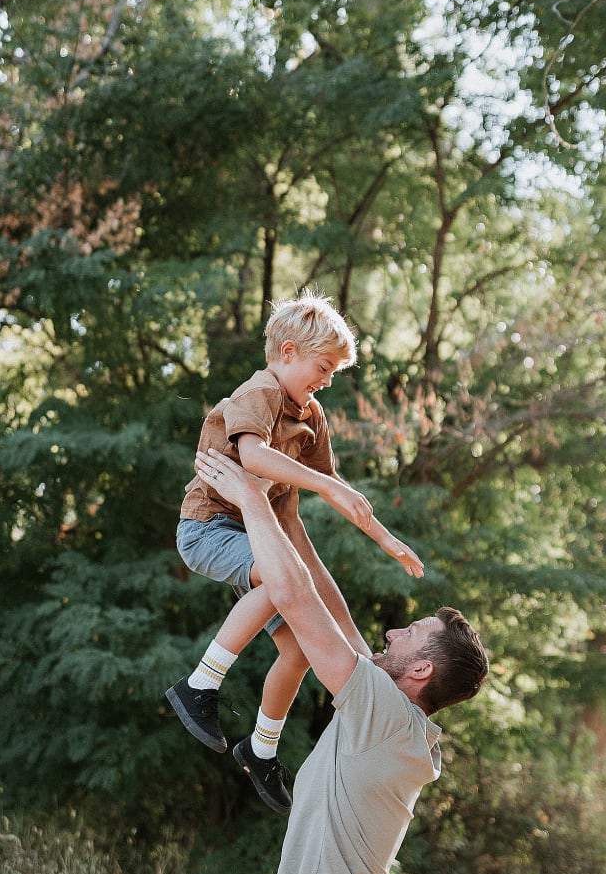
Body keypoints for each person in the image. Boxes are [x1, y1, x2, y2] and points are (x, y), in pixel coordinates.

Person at [193, 447, 489, 874]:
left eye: (410, 633)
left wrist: (248, 499)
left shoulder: (387, 717)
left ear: (420, 671)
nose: (392, 632)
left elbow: (295, 596)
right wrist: (289, 515)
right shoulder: (389, 715)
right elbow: (330, 605)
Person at [165, 289, 424, 814]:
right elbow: (254, 457)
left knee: (301, 648)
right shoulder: (258, 393)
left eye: (333, 373)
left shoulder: (309, 412)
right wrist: (324, 489)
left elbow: (333, 484)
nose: (326, 381)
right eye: (322, 367)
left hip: (262, 538)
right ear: (287, 352)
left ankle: (260, 749)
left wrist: (383, 537)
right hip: (209, 528)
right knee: (282, 583)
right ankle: (200, 684)